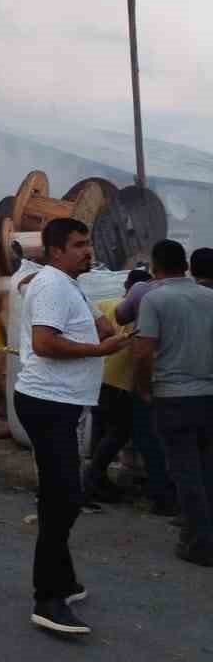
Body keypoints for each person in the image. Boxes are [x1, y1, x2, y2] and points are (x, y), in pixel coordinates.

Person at [15, 217, 131, 637]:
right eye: (79, 245)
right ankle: (47, 599)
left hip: (60, 403)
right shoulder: (51, 285)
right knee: (64, 497)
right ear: (56, 250)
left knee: (58, 495)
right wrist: (99, 348)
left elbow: (80, 326)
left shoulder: (69, 283)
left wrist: (100, 328)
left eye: (88, 243)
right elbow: (45, 343)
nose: (88, 251)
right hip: (47, 403)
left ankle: (61, 579)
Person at [133, 239, 213, 568]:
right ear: (187, 266)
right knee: (208, 469)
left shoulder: (155, 299)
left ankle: (199, 544)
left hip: (173, 397)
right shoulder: (210, 298)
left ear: (155, 265)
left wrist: (143, 389)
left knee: (185, 472)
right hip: (208, 396)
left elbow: (142, 352)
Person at [86, 269, 175, 515]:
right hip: (123, 382)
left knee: (106, 431)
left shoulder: (103, 304)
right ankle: (92, 480)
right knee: (122, 433)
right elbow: (143, 350)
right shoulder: (144, 310)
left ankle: (96, 479)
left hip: (100, 376)